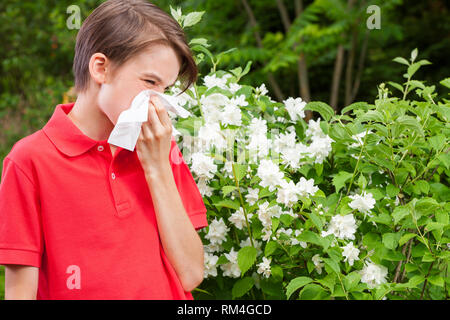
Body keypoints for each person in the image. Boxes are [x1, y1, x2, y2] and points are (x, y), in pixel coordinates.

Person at [0, 0, 208, 299]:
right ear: (101, 68)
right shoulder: (29, 161)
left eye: (165, 89)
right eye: (149, 81)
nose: (156, 102)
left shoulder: (160, 148)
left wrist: (157, 167)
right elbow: (20, 292)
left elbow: (191, 274)